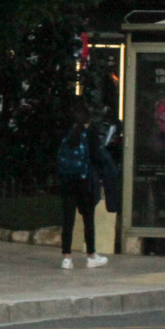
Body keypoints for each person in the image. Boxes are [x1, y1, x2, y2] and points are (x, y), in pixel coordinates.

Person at [58, 101, 108, 269]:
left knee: (68, 219)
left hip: (67, 180)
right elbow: (97, 157)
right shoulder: (90, 134)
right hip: (84, 181)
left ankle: (67, 258)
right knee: (88, 218)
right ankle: (91, 255)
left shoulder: (66, 133)